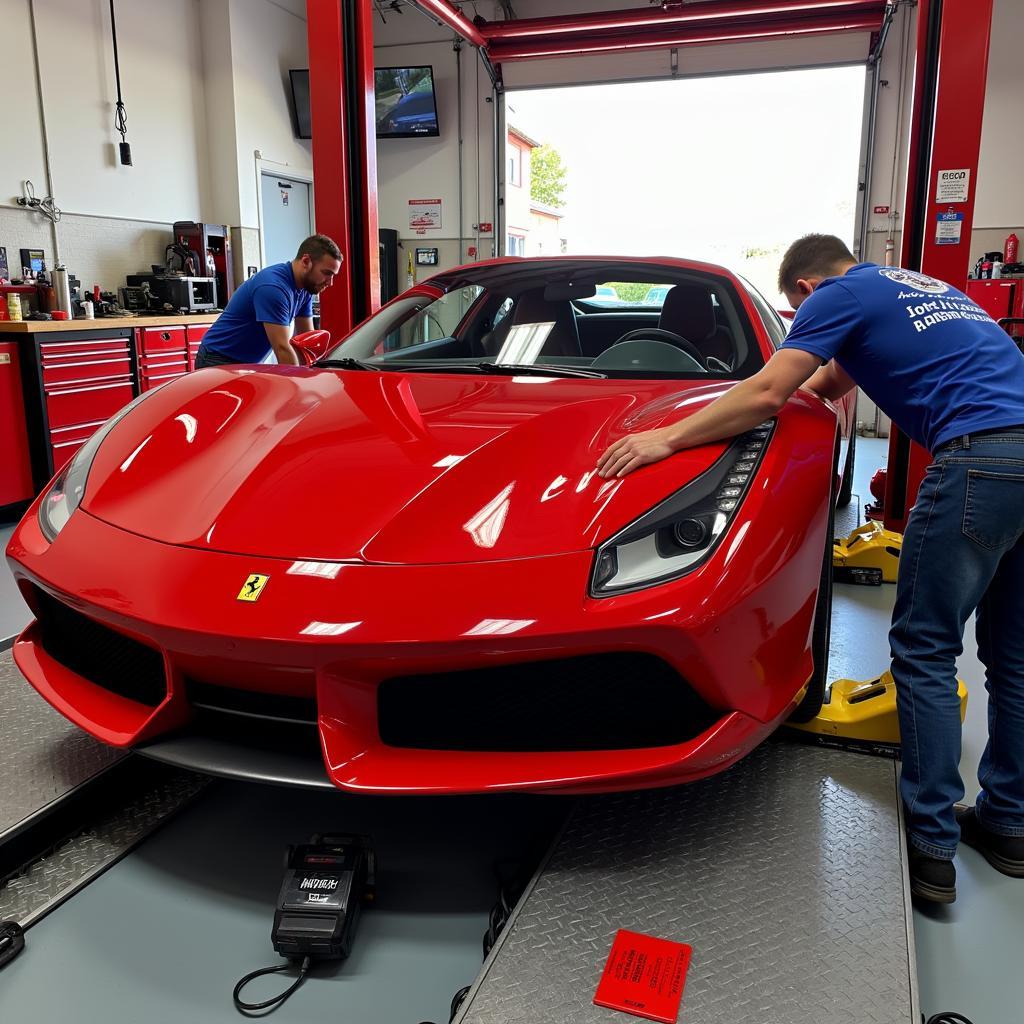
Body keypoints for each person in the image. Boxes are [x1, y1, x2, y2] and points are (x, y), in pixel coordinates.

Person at [597, 234, 1024, 904]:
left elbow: (770, 390)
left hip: (979, 461)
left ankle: (932, 845)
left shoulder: (836, 296)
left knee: (924, 650)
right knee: (1015, 658)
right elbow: (826, 383)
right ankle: (1008, 826)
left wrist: (666, 437)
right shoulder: (915, 287)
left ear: (803, 292)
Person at [194, 234, 342, 368]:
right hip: (217, 359)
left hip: (246, 364)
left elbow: (306, 343)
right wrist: (301, 383)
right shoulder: (273, 287)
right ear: (306, 261)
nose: (330, 283)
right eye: (326, 273)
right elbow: (282, 348)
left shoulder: (305, 289)